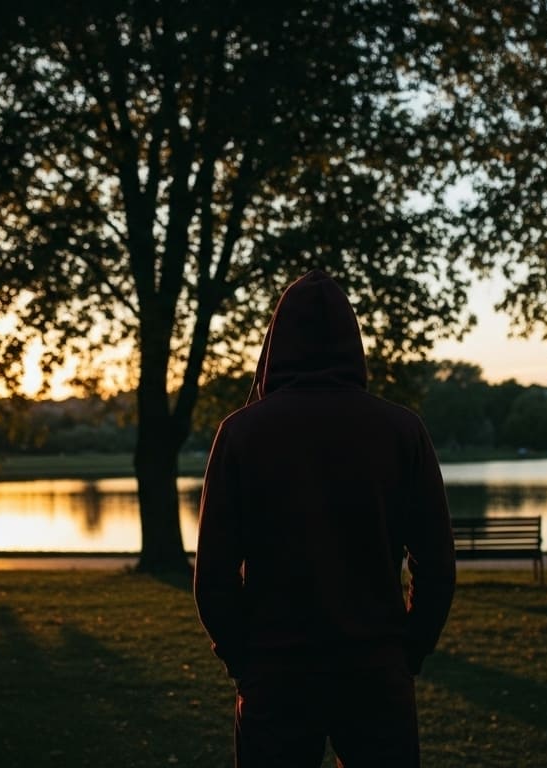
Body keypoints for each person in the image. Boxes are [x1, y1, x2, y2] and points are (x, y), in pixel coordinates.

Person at [194, 269, 456, 767]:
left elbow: (214, 576)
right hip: (376, 674)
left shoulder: (243, 434)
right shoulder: (401, 431)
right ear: (353, 343)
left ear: (276, 344)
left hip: (276, 676)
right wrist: (408, 652)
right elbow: (437, 565)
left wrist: (244, 661)